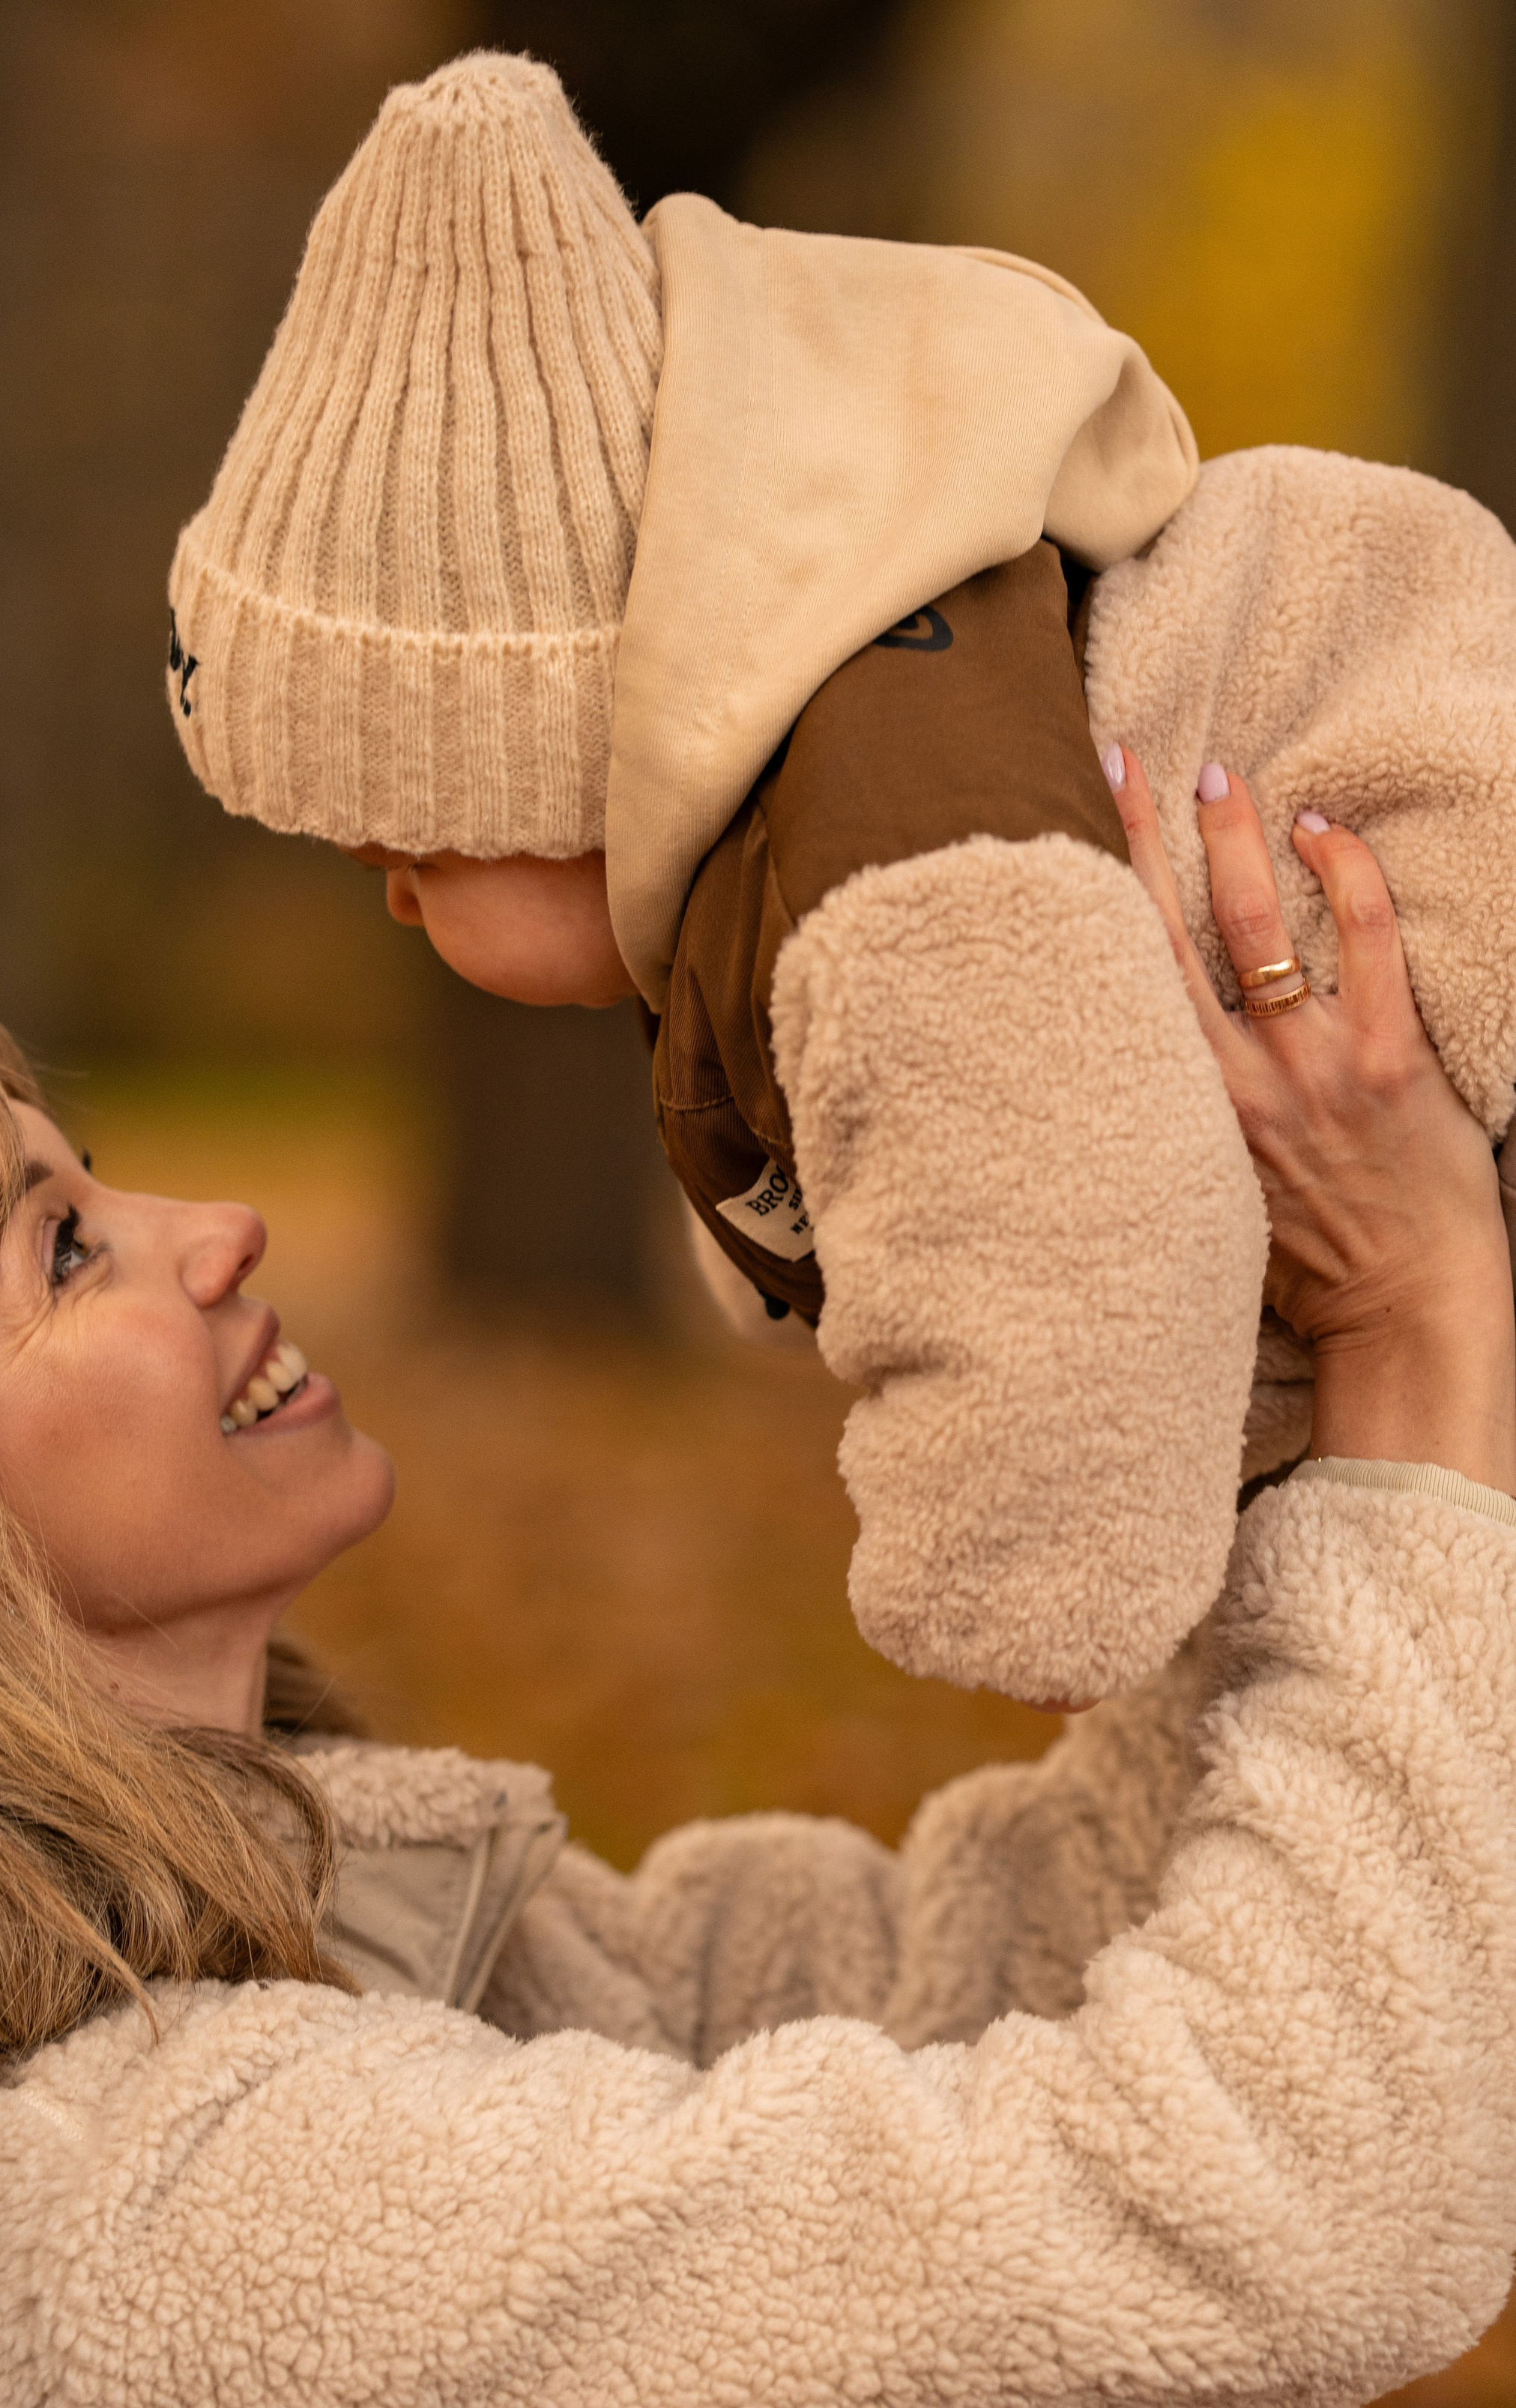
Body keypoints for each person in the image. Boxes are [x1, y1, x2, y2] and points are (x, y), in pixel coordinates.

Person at [0, 771, 1511, 2408]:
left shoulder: (368, 1968)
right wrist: (1411, 1335)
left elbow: (1026, 1950)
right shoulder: (131, 2239)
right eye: (61, 1251)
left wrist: (1289, 1378)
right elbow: (1286, 2202)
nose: (213, 1232)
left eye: (102, 1183)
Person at [167, 49, 1516, 1715]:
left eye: (405, 854)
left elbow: (1057, 1202)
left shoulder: (881, 806)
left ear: (552, 757)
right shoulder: (810, 788)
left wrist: (1014, 1568)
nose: (388, 907)